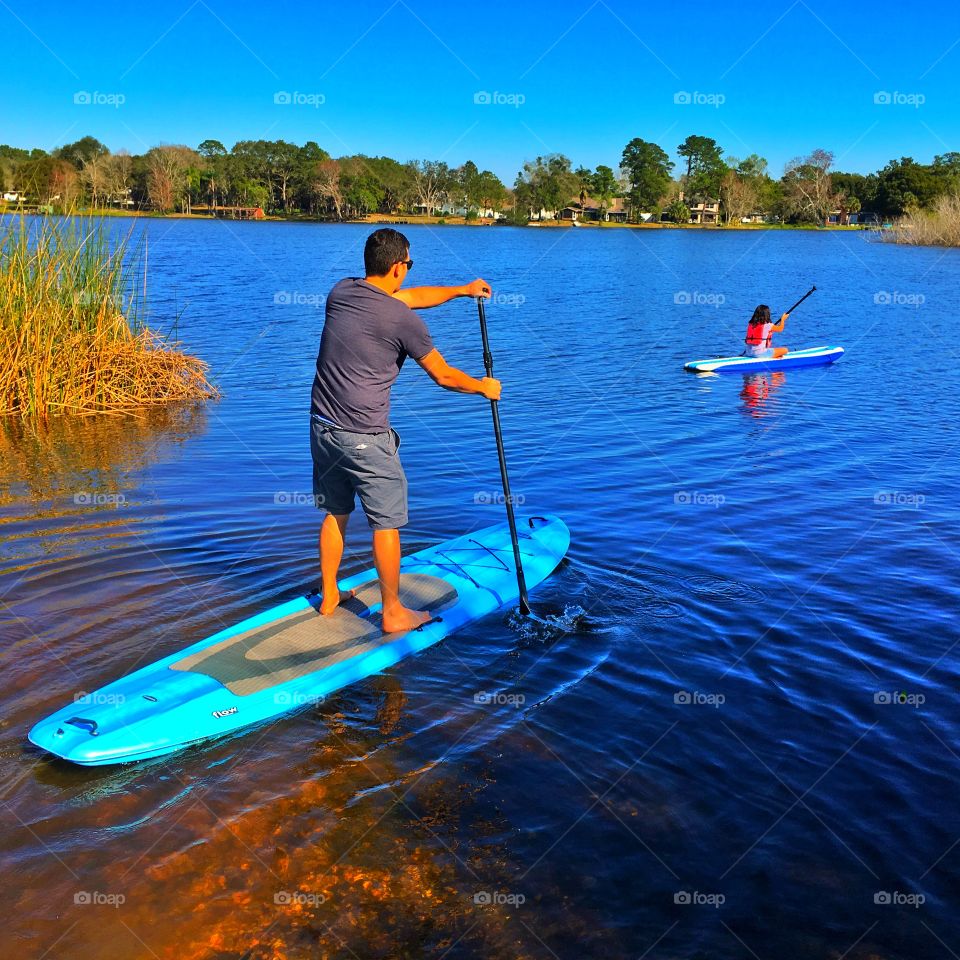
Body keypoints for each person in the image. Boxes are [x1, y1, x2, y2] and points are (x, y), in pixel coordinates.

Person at [310, 228, 500, 633]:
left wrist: (463, 290)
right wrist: (484, 387)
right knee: (386, 522)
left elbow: (412, 297)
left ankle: (329, 592)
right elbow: (444, 376)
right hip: (365, 436)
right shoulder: (403, 321)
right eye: (409, 266)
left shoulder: (341, 291)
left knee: (336, 511)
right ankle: (393, 612)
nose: (409, 274)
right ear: (398, 268)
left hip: (322, 427)